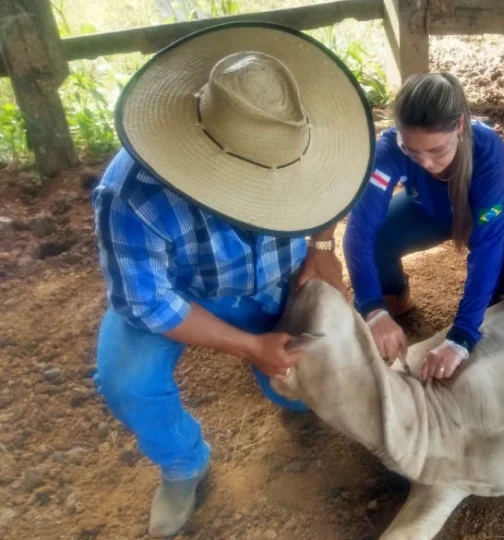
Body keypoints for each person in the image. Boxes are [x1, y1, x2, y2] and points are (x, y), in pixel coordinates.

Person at [91, 22, 374, 537]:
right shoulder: (131, 194)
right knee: (127, 382)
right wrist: (249, 347)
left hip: (276, 279)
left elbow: (335, 184)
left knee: (300, 381)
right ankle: (184, 462)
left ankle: (289, 395)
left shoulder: (314, 133)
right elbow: (147, 303)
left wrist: (321, 243)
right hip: (179, 292)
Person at [344, 73, 504, 382]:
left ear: (459, 126)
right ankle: (396, 297)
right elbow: (359, 231)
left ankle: (488, 304)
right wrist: (373, 308)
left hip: (482, 215)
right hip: (427, 208)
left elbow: (488, 245)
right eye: (413, 151)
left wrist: (462, 334)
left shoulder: (487, 148)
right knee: (378, 237)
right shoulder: (389, 148)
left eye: (436, 151)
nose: (425, 162)